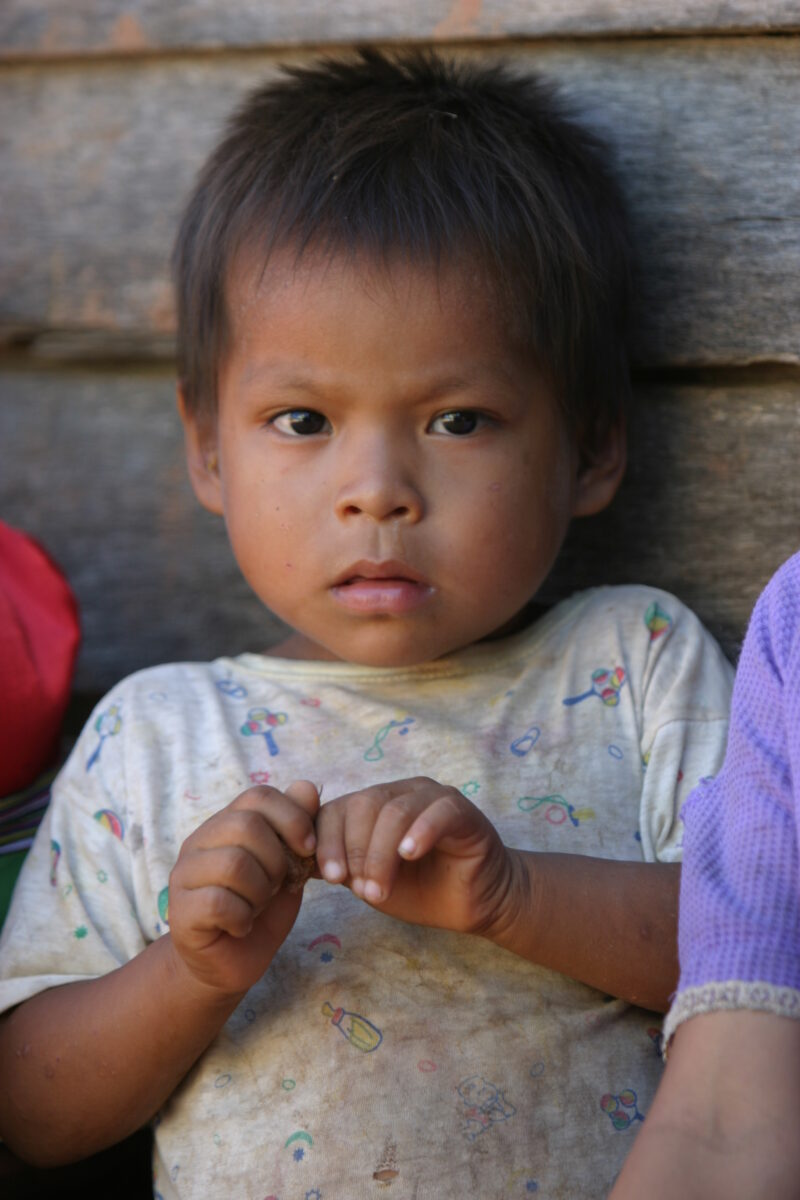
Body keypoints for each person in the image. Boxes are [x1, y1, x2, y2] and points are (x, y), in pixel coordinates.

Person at [0, 50, 734, 1198]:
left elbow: (757, 960)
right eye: (302, 418)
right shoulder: (159, 734)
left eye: (456, 418)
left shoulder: (631, 661)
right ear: (206, 447)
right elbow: (31, 1113)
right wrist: (190, 973)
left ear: (589, 447)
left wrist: (513, 900)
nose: (377, 489)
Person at [610, 553, 800, 1200]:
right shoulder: (795, 622)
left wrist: (510, 896)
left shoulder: (644, 647)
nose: (377, 494)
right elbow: (723, 1135)